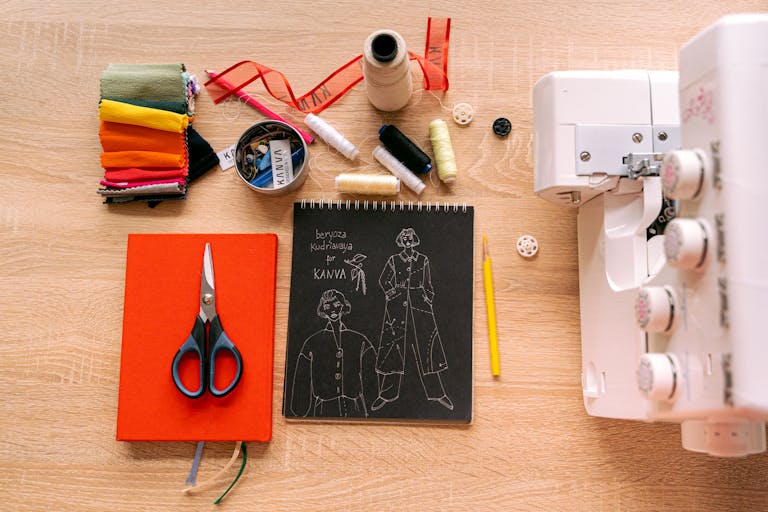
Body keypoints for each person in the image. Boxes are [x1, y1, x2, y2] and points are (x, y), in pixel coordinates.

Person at [371, 228, 453, 411]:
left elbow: (428, 284)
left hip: (420, 307)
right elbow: (384, 280)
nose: (408, 241)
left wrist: (427, 299)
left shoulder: (423, 260)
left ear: (414, 240)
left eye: (410, 238)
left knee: (427, 350)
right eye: (404, 239)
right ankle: (386, 395)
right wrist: (392, 294)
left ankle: (438, 394)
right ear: (401, 241)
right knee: (393, 350)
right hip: (397, 308)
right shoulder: (393, 260)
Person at [290, 289, 377, 417]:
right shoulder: (313, 342)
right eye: (327, 307)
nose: (332, 310)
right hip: (324, 408)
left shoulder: (359, 340)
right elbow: (301, 378)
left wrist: (372, 404)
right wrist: (299, 409)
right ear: (323, 311)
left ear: (343, 307)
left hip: (355, 406)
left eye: (336, 305)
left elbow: (371, 375)